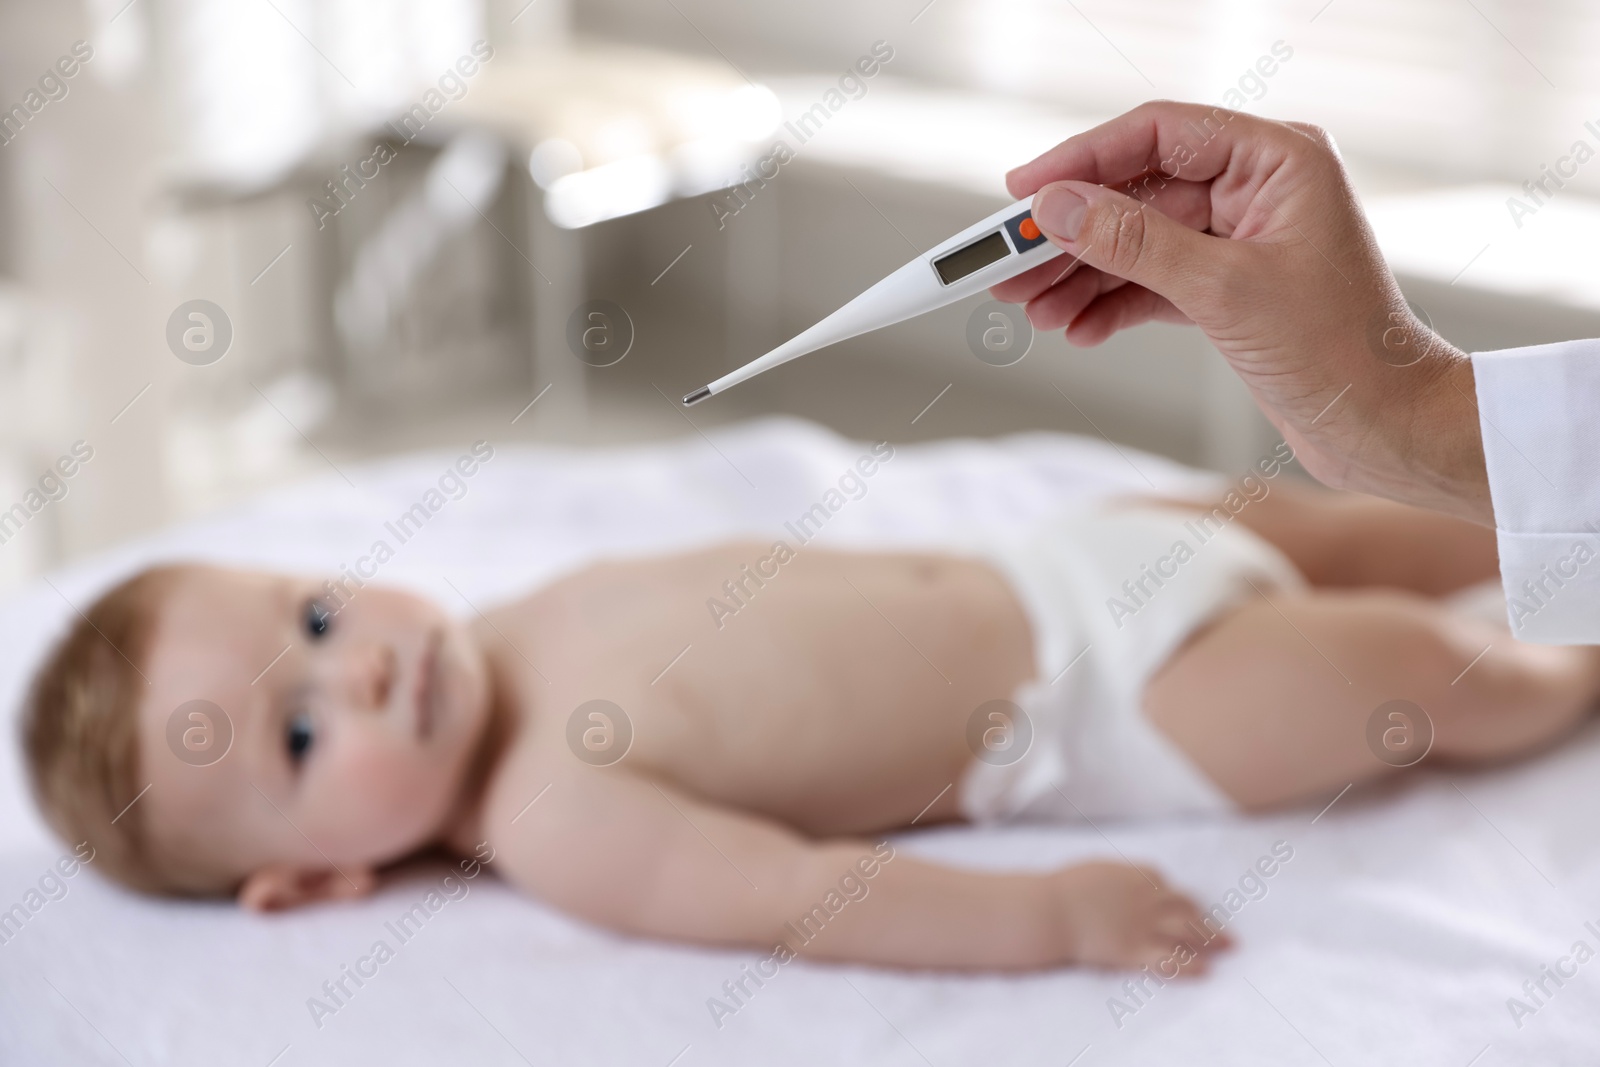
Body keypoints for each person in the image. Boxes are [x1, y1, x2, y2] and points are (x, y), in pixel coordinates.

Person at [23, 452, 1599, 975]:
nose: (355, 662)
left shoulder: (499, 626)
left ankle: (1558, 517)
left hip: (1068, 557)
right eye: (300, 735)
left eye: (313, 614)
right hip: (1111, 705)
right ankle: (1574, 657)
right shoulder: (557, 822)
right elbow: (804, 895)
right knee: (1411, 675)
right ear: (307, 882)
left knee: (1322, 517)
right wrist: (1047, 916)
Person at [991, 100, 1600, 644]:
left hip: (1078, 565)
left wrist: (1407, 412)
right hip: (1103, 644)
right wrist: (1400, 421)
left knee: (1304, 529)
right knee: (1405, 648)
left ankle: (1554, 636)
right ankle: (1565, 658)